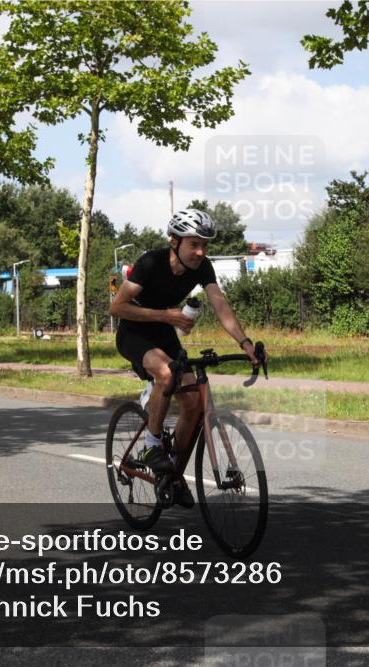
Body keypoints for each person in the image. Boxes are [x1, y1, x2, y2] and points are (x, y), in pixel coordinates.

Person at [109, 209, 263, 509]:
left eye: (205, 244)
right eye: (194, 244)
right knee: (166, 374)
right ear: (174, 241)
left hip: (165, 333)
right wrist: (166, 315)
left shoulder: (201, 267)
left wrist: (245, 343)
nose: (200, 251)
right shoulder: (150, 263)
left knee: (194, 403)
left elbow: (219, 303)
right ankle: (152, 446)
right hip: (134, 334)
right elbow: (117, 308)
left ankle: (173, 475)